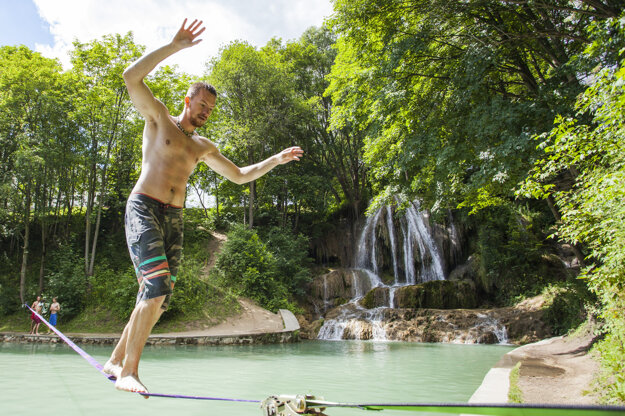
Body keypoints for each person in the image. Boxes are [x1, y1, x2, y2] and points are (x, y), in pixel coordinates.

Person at [102, 18, 303, 395]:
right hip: (144, 207)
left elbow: (241, 175)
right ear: (187, 100)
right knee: (156, 287)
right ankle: (129, 371)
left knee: (158, 300)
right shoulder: (158, 118)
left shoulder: (202, 147)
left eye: (210, 109)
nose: (205, 112)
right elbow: (131, 77)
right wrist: (174, 46)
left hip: (174, 218)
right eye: (201, 105)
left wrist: (276, 158)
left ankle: (115, 359)